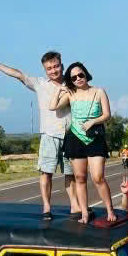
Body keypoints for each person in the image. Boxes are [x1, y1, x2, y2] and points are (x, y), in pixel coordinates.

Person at [0, 50, 77, 220]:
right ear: (45, 70)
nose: (53, 70)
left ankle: (75, 206)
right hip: (49, 135)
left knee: (70, 173)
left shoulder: (72, 84)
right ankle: (46, 207)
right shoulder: (40, 83)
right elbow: (19, 74)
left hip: (70, 135)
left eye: (56, 66)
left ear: (62, 65)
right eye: (49, 68)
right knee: (46, 173)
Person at [50, 62, 116, 224]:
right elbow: (53, 107)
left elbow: (107, 114)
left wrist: (93, 121)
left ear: (86, 74)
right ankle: (84, 213)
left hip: (94, 137)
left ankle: (110, 210)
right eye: (73, 77)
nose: (78, 79)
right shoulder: (70, 93)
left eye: (80, 75)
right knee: (80, 178)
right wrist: (60, 89)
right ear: (70, 80)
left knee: (98, 177)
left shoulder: (99, 91)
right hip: (75, 138)